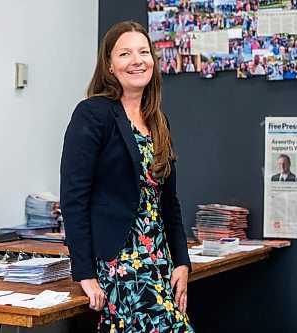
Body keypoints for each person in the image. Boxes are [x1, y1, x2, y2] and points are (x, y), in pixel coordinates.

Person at [60, 21, 194, 332]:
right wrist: (84, 273)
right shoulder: (93, 114)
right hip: (118, 260)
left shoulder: (159, 121)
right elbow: (73, 199)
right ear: (109, 64)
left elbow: (169, 201)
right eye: (125, 54)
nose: (137, 60)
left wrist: (182, 261)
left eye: (144, 52)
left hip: (159, 258)